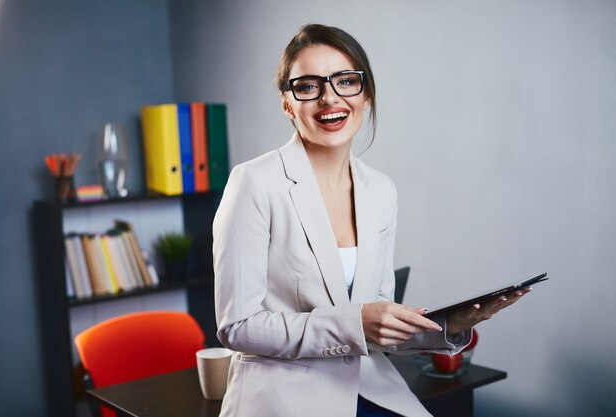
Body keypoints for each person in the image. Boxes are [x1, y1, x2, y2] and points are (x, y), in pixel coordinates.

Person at [213, 23, 529, 417]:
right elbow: (238, 327)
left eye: (346, 81)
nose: (329, 98)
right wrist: (354, 324)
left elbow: (375, 327)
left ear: (366, 96)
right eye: (308, 86)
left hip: (369, 389)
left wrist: (444, 326)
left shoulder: (380, 190)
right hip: (284, 399)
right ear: (288, 104)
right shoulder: (254, 183)